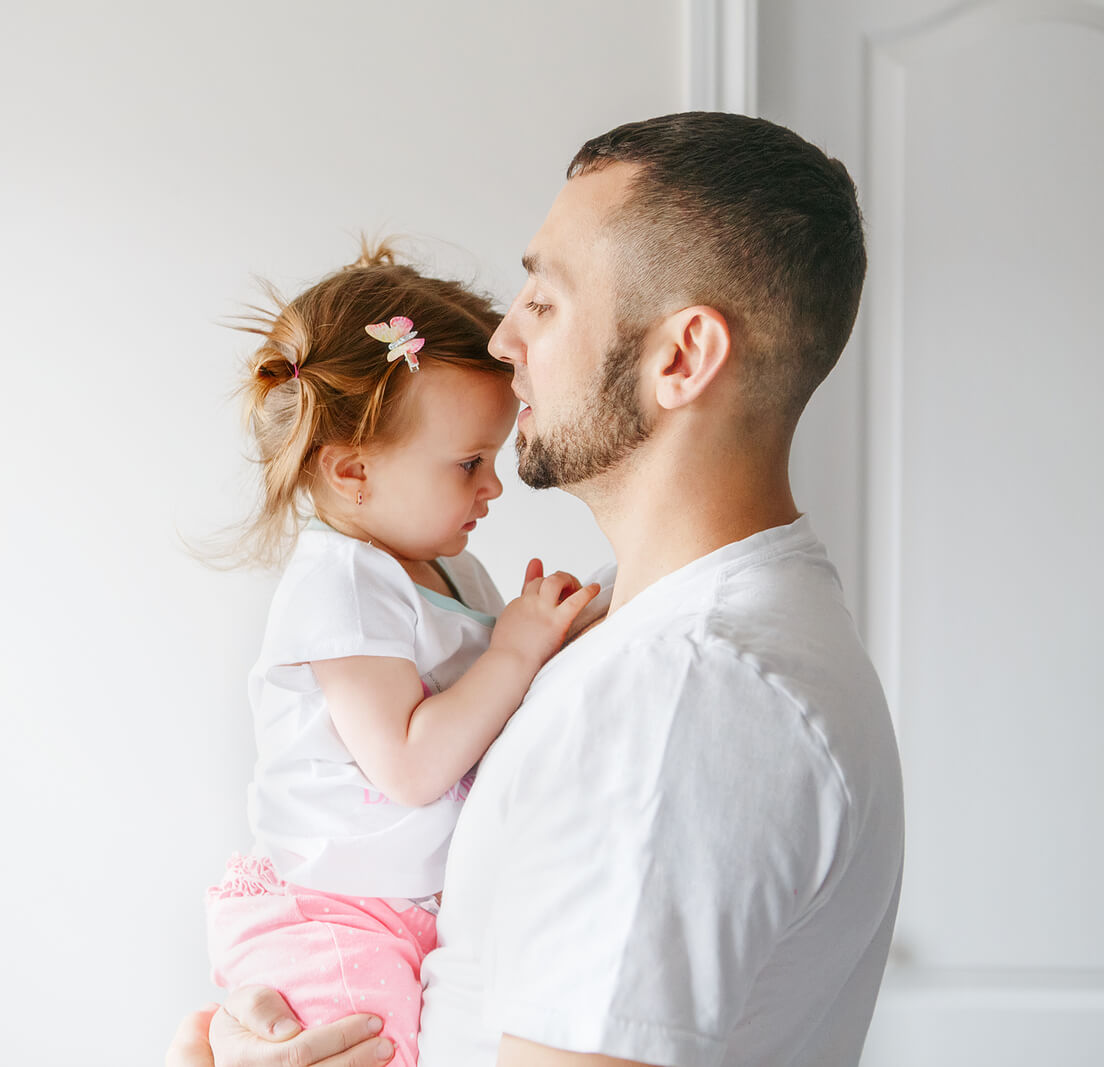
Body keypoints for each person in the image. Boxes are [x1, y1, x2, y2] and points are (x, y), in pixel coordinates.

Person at [169, 111, 906, 1067]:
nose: (505, 339)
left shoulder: (686, 692)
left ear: (680, 358)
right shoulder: (624, 627)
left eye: (545, 301)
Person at [202, 243, 603, 1067]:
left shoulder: (452, 568)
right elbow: (413, 764)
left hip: (397, 909)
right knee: (366, 1049)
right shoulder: (340, 584)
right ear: (351, 469)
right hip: (334, 918)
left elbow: (498, 711)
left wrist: (543, 640)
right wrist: (517, 651)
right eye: (467, 465)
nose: (493, 487)